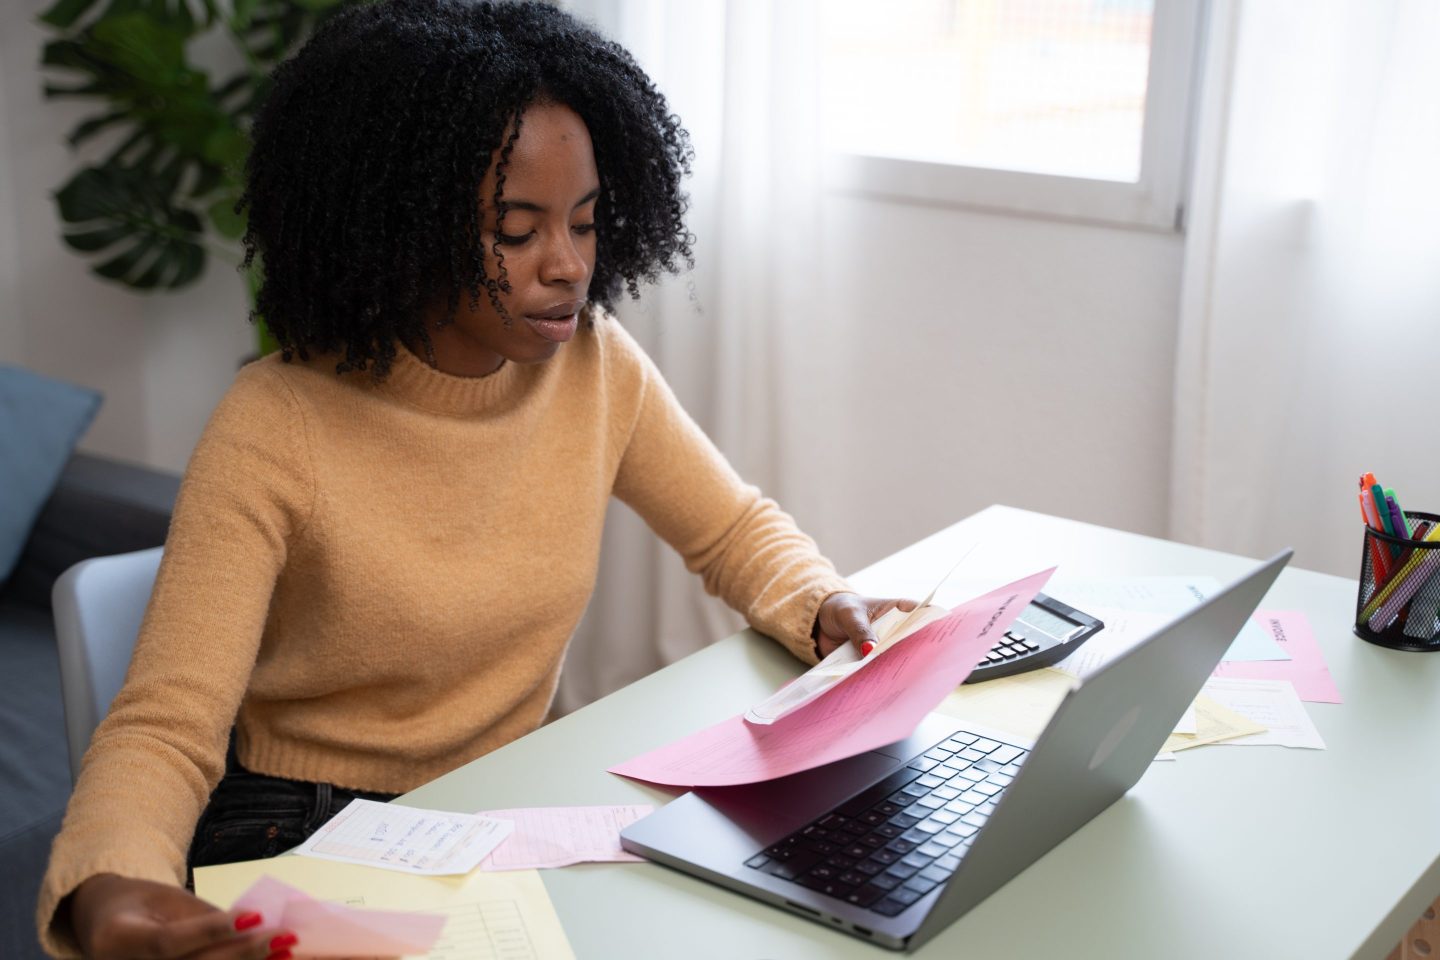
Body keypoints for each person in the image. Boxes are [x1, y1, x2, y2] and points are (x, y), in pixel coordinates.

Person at [37, 2, 914, 957]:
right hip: (302, 822)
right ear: (403, 225)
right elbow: (165, 725)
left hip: (496, 806)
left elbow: (733, 529)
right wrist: (111, 883)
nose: (568, 266)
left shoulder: (596, 367)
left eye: (585, 222)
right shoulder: (273, 424)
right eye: (516, 231)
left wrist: (821, 603)